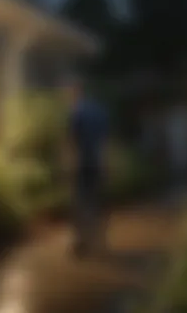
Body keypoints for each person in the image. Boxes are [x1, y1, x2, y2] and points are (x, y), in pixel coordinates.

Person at [61, 75, 109, 258]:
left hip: (81, 164)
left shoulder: (76, 113)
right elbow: (105, 141)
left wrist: (68, 164)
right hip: (96, 162)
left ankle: (81, 243)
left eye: (68, 93)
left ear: (75, 92)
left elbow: (72, 141)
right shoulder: (99, 111)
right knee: (96, 201)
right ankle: (100, 241)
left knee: (80, 203)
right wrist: (105, 164)